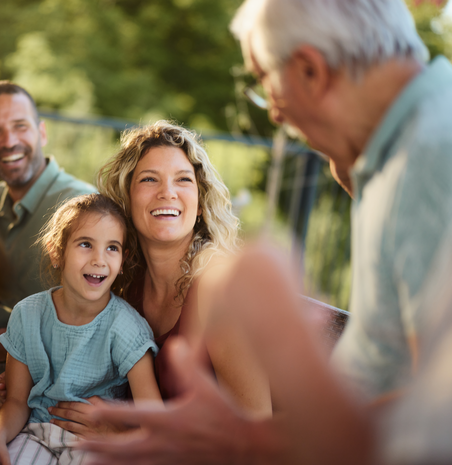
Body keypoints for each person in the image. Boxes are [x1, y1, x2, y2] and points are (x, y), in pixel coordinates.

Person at [76, 0, 452, 463]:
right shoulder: (402, 155)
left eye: (264, 81)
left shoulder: (433, 162)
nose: (275, 115)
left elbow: (442, 426)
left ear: (309, 70)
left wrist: (281, 344)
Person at [44, 121, 271, 436]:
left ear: (201, 204)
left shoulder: (220, 294)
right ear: (127, 199)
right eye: (149, 179)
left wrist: (125, 436)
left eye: (183, 180)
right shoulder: (122, 281)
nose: (167, 192)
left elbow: (256, 438)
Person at [0, 193, 161, 465]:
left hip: (96, 441)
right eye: (85, 244)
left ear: (123, 260)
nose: (99, 259)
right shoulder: (27, 314)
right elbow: (16, 401)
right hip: (34, 432)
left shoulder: (126, 327)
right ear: (56, 251)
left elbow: (154, 417)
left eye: (112, 247)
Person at [0, 81, 96, 327]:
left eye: (20, 126)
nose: (8, 141)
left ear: (42, 132)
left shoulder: (83, 206)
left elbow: (90, 318)